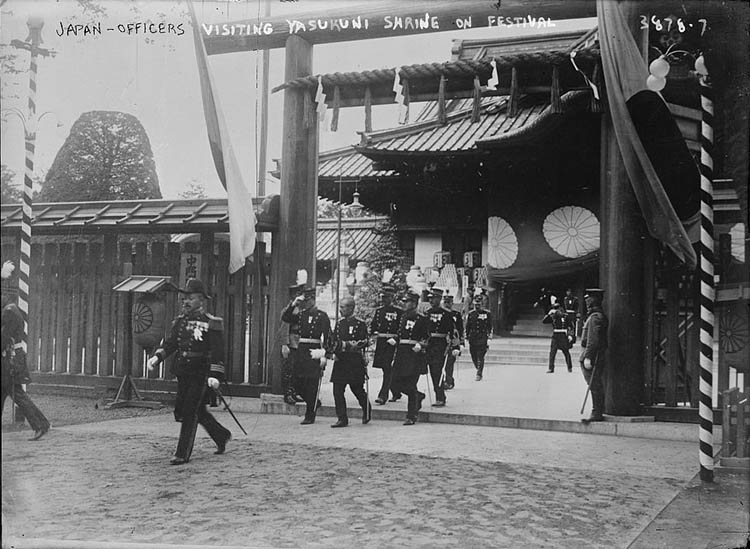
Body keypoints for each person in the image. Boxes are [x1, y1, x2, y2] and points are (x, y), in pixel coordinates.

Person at [147, 278, 231, 465]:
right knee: (191, 411)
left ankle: (182, 453)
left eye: (191, 298)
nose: (186, 301)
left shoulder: (211, 323)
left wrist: (215, 375)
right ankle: (221, 435)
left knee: (190, 410)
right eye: (184, 298)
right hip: (183, 371)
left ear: (201, 300)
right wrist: (157, 357)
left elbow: (218, 352)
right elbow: (170, 344)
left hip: (200, 373)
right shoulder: (180, 322)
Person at [1, 261, 50, 441]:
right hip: (10, 359)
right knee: (13, 393)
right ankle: (41, 424)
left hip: (10, 361)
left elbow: (3, 339)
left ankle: (41, 425)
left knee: (17, 395)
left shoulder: (9, 312)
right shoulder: (10, 310)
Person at [281, 285, 332, 425]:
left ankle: (310, 414)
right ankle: (313, 402)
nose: (306, 303)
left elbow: (328, 337)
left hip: (315, 350)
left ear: (314, 299)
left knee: (313, 383)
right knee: (296, 381)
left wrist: (324, 355)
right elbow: (285, 317)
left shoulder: (322, 316)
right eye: (305, 300)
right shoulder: (301, 315)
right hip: (302, 349)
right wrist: (293, 304)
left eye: (308, 300)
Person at [329, 297, 371, 427]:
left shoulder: (360, 323)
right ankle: (342, 418)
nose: (341, 310)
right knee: (337, 390)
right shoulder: (339, 323)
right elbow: (334, 340)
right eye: (340, 307)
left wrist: (347, 345)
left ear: (351, 308)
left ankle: (367, 409)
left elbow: (364, 341)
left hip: (354, 360)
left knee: (357, 389)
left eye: (344, 307)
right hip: (341, 360)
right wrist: (333, 351)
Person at [390, 291, 429, 425]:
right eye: (404, 301)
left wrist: (420, 344)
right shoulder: (402, 317)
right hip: (401, 353)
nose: (404, 304)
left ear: (414, 303)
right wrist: (395, 339)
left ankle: (411, 416)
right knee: (394, 382)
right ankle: (419, 396)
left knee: (411, 384)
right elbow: (400, 334)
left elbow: (427, 337)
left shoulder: (421, 318)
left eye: (407, 302)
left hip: (414, 354)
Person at [369, 283, 402, 405]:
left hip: (392, 344)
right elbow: (373, 326)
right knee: (386, 369)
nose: (384, 300)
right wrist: (373, 334)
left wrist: (396, 339)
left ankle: (383, 395)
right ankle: (396, 391)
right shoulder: (379, 311)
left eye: (387, 297)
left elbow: (402, 329)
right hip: (382, 343)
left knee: (388, 368)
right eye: (383, 297)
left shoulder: (399, 312)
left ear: (392, 297)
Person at [579, 288, 609, 423]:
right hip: (595, 355)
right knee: (595, 385)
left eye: (588, 299)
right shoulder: (597, 316)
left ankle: (597, 413)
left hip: (592, 356)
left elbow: (593, 340)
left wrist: (588, 357)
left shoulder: (595, 318)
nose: (586, 301)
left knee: (594, 385)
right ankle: (597, 411)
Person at [424, 288, 454, 407]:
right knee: (431, 372)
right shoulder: (427, 313)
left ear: (439, 299)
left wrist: (452, 346)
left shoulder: (446, 314)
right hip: (429, 345)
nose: (431, 301)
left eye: (434, 298)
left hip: (440, 345)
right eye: (430, 298)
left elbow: (452, 332)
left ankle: (440, 397)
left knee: (437, 372)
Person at [280, 275, 306, 405]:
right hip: (291, 342)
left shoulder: (301, 309)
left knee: (297, 369)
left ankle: (295, 392)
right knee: (288, 370)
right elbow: (284, 327)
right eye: (297, 294)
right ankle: (287, 394)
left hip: (299, 342)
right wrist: (284, 344)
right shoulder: (288, 310)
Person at [465, 293, 492, 381]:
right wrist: (466, 336)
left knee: (480, 356)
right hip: (473, 337)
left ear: (482, 304)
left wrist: (489, 338)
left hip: (482, 337)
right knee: (473, 356)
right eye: (475, 304)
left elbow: (490, 326)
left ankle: (479, 373)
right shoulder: (471, 314)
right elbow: (468, 326)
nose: (477, 306)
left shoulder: (487, 313)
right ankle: (479, 368)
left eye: (479, 304)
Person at [542, 302, 573, 373]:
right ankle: (551, 368)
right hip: (556, 334)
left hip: (563, 334)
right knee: (552, 352)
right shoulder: (553, 316)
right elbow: (544, 321)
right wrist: (549, 314)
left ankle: (569, 367)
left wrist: (570, 335)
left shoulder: (565, 316)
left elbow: (571, 326)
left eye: (557, 308)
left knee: (566, 352)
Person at [441, 291, 464, 390]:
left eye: (449, 302)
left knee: (449, 363)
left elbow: (460, 329)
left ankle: (449, 381)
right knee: (441, 363)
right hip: (442, 342)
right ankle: (442, 382)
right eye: (445, 302)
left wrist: (460, 344)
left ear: (452, 303)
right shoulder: (440, 313)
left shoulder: (456, 314)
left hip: (453, 341)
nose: (447, 304)